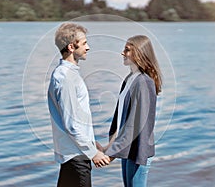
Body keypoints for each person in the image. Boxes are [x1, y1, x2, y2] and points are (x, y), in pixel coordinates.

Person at [47, 23, 110, 187]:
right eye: (84, 43)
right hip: (77, 156)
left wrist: (91, 142)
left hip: (73, 153)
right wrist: (92, 153)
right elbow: (72, 123)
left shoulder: (67, 74)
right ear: (71, 47)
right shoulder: (66, 77)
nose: (88, 47)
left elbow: (78, 117)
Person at [102, 35, 162, 187]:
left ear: (139, 53)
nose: (122, 53)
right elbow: (121, 119)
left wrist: (111, 155)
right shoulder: (130, 79)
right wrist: (109, 146)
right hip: (128, 151)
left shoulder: (143, 82)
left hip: (138, 152)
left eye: (127, 50)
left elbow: (136, 124)